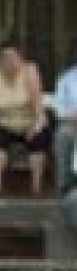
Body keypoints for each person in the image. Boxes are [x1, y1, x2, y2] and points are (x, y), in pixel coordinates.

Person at [0, 42, 50, 196]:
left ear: (21, 59)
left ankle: (36, 188)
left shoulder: (30, 72)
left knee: (39, 139)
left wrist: (36, 126)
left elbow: (39, 110)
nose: (9, 61)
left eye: (13, 57)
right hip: (6, 124)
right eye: (4, 58)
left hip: (31, 122)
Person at [53, 42, 77, 191]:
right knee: (63, 135)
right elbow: (59, 109)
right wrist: (72, 118)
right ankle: (64, 185)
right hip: (71, 123)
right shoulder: (65, 79)